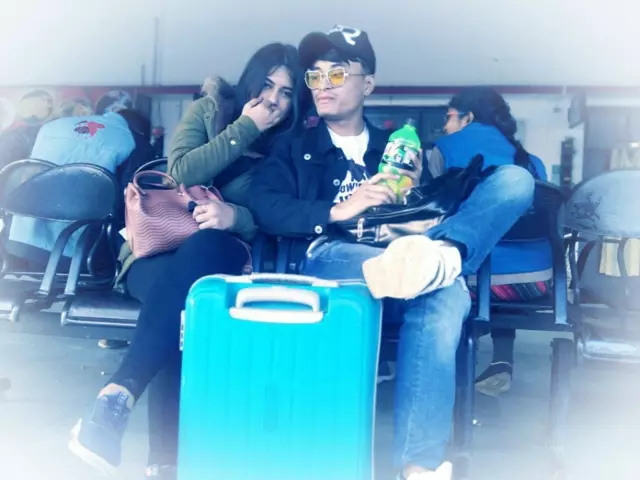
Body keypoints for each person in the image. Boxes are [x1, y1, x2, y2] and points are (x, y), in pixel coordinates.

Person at [250, 25, 536, 480]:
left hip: (405, 253)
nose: (323, 85)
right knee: (444, 289)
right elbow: (265, 206)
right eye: (315, 76)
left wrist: (417, 191)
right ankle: (441, 265)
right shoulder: (294, 146)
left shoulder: (397, 146)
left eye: (337, 74)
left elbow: (438, 206)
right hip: (333, 257)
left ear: (367, 84)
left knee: (515, 183)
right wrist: (340, 208)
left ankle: (416, 468)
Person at [68, 42, 304, 479]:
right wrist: (245, 127)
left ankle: (116, 400)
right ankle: (164, 463)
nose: (273, 99)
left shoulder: (292, 147)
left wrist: (236, 217)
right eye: (268, 85)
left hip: (222, 253)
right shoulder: (210, 110)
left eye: (286, 93)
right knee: (181, 306)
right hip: (156, 251)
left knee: (194, 273)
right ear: (250, 81)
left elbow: (282, 212)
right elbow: (179, 172)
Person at [430, 87, 552, 396]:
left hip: (476, 282)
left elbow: (430, 214)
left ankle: (453, 368)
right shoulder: (532, 162)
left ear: (467, 118)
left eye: (449, 117)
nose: (445, 126)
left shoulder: (444, 149)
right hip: (536, 282)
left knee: (449, 265)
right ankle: (502, 361)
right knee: (501, 260)